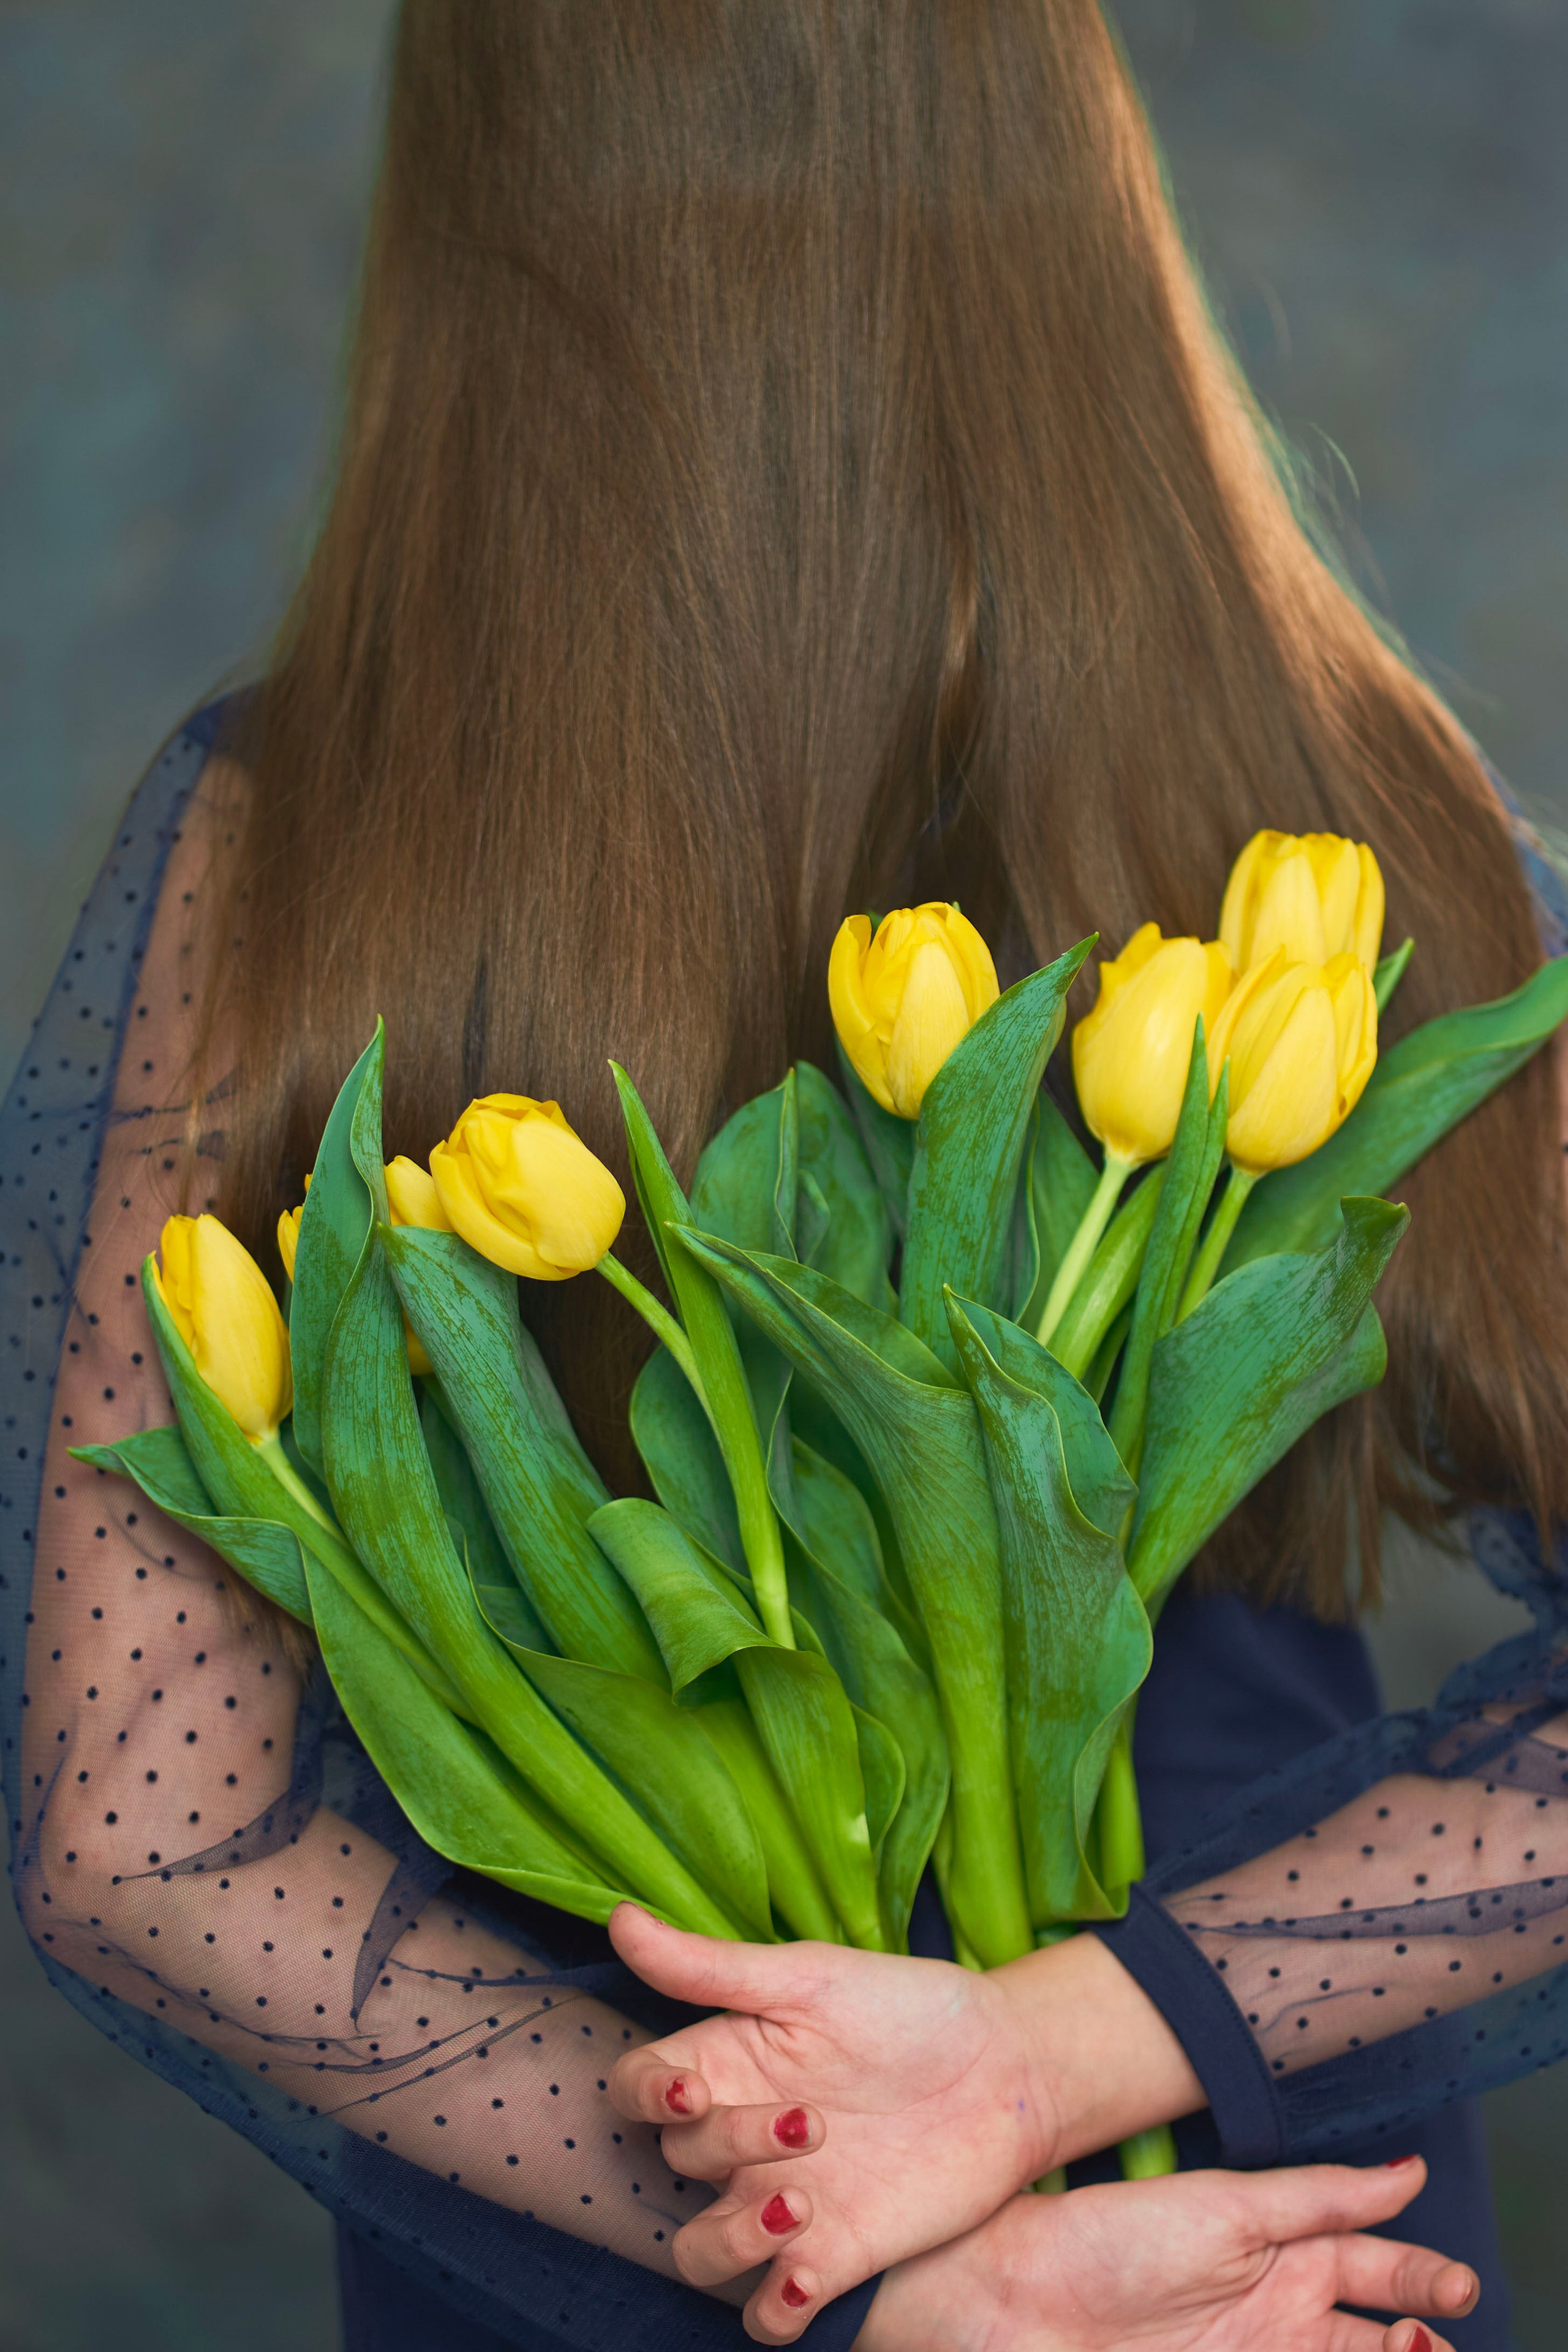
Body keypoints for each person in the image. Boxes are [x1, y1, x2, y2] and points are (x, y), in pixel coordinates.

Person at [5, 2, 1565, 2345]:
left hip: (658, 2234)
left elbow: (147, 1837)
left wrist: (849, 2249)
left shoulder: (295, 839)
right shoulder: (1337, 782)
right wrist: (1052, 2072)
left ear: (482, 200)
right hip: (1250, 2217)